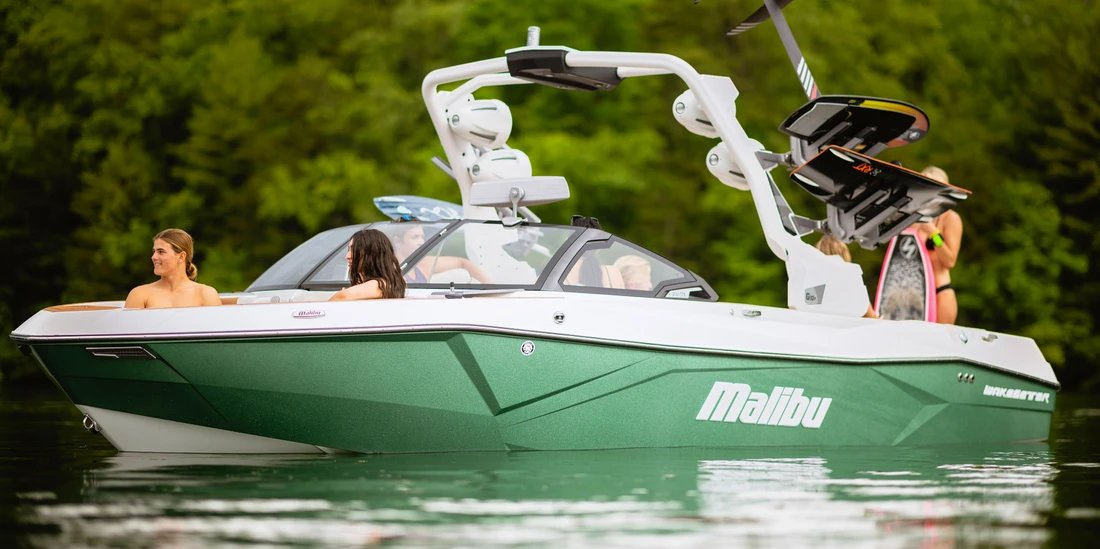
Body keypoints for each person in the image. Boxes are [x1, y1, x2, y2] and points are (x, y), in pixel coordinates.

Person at [912, 166, 963, 324]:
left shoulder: (950, 218)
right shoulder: (911, 217)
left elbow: (950, 261)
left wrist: (934, 234)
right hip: (913, 294)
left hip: (939, 292)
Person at [124, 228, 221, 308]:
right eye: (154, 251)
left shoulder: (206, 294)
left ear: (181, 256)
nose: (153, 257)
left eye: (161, 251)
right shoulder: (140, 295)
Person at [390, 223, 492, 284]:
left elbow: (463, 263)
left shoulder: (424, 263)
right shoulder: (387, 268)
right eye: (415, 237)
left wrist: (491, 288)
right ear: (397, 242)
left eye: (422, 237)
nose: (421, 242)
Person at [330, 228, 406, 300]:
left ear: (373, 253)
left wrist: (343, 293)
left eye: (354, 250)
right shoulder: (391, 283)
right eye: (349, 250)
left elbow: (343, 296)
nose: (347, 256)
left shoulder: (381, 285)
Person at [815, 233, 877, 318]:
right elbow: (873, 319)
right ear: (844, 255)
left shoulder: (814, 288)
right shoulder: (853, 287)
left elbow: (799, 310)